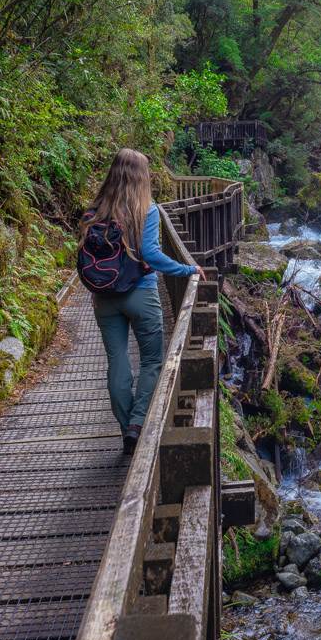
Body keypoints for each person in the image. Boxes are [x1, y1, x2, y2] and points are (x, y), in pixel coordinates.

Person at [79, 148, 205, 454]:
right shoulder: (147, 209)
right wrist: (187, 269)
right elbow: (150, 254)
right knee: (151, 360)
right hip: (142, 293)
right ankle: (138, 423)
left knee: (117, 360)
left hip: (104, 297)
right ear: (141, 177)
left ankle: (126, 430)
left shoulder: (94, 210)